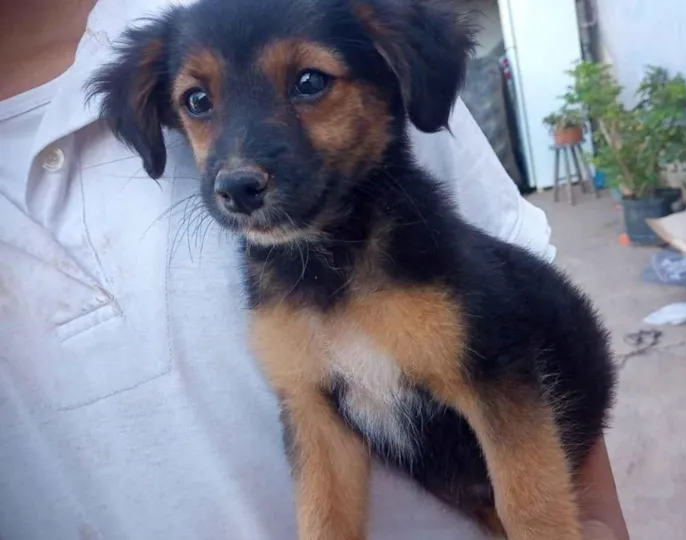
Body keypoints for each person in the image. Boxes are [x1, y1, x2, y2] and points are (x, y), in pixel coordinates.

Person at [0, 1, 629, 539]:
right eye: (199, 102)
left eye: (307, 84)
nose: (237, 168)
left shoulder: (428, 260)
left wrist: (581, 521)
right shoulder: (273, 295)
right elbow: (320, 436)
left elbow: (522, 372)